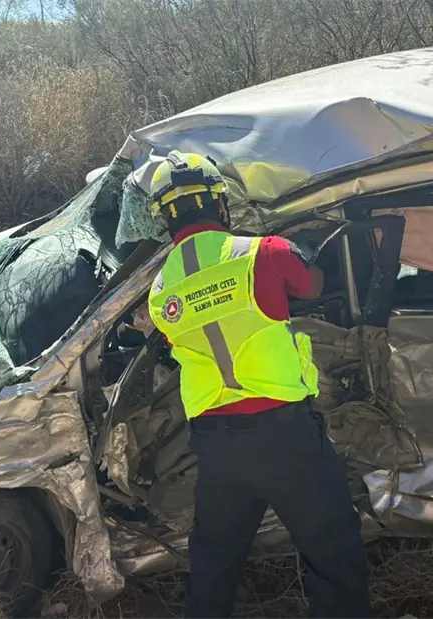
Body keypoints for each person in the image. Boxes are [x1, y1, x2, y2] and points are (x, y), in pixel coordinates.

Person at [145, 151, 374, 619]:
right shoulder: (262, 252)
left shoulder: (158, 293)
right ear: (221, 204)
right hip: (286, 439)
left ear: (165, 217)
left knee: (214, 562)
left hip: (216, 450)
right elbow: (312, 284)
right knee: (333, 553)